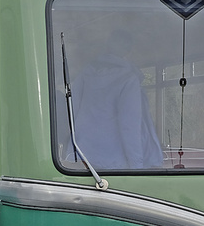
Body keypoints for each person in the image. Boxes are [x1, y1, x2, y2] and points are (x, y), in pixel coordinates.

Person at [69, 29, 163, 170]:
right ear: (128, 50)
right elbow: (129, 126)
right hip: (115, 162)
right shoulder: (128, 80)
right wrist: (137, 166)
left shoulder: (84, 75)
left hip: (81, 155)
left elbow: (70, 110)